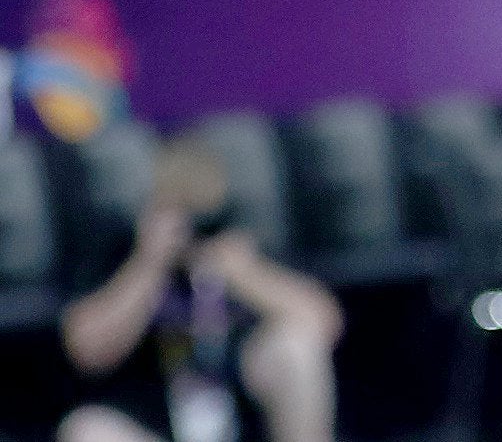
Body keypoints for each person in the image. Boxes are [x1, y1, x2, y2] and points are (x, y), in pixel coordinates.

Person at [60, 140, 338, 442]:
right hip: (155, 423)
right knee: (85, 430)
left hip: (241, 412)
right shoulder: (125, 252)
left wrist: (245, 275)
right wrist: (148, 264)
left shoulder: (239, 244)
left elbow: (323, 321)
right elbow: (85, 349)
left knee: (296, 348)